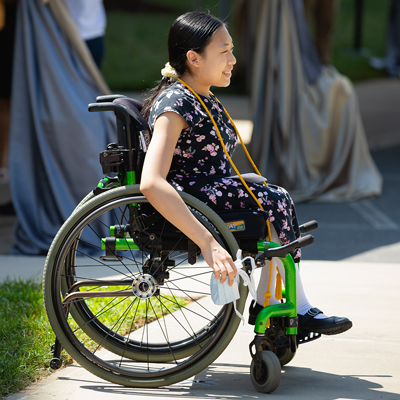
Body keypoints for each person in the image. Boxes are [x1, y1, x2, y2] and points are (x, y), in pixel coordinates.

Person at [140, 11, 352, 335]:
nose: (233, 60)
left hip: (208, 191)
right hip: (191, 199)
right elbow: (152, 183)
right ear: (193, 58)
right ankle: (294, 307)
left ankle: (275, 304)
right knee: (274, 200)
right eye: (224, 51)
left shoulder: (201, 96)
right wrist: (208, 243)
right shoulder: (175, 105)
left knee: (273, 197)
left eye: (232, 50)